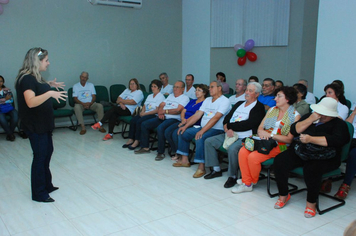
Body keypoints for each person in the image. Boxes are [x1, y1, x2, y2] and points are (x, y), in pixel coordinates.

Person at [273, 97, 349, 218]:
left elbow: (336, 140)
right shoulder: (310, 117)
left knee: (312, 169)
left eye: (325, 114)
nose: (322, 116)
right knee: (280, 161)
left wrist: (311, 139)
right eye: (320, 113)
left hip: (326, 156)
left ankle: (311, 203)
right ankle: (283, 194)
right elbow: (294, 130)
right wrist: (311, 119)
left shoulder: (340, 125)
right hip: (303, 151)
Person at [15, 47, 67, 202]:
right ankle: (39, 193)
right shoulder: (27, 79)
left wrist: (49, 84)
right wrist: (50, 93)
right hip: (35, 126)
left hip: (43, 124)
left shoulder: (35, 77)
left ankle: (46, 184)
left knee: (47, 152)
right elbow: (30, 102)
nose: (49, 63)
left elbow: (36, 90)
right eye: (46, 60)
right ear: (37, 61)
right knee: (40, 156)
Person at [233, 86, 300, 194]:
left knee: (253, 157)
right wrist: (262, 133)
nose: (275, 99)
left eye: (279, 96)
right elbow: (260, 128)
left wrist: (270, 135)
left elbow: (289, 139)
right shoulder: (272, 110)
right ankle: (247, 181)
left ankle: (249, 182)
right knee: (243, 151)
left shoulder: (295, 116)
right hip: (263, 141)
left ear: (287, 99)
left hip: (280, 145)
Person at [204, 82, 265, 188]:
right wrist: (226, 127)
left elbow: (249, 124)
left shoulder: (258, 107)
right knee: (209, 141)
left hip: (245, 137)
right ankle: (216, 169)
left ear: (257, 94)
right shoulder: (239, 103)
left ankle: (232, 176)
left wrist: (231, 126)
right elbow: (227, 118)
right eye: (247, 90)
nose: (247, 93)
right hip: (230, 133)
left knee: (233, 149)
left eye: (250, 91)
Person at [173, 81, 231, 178]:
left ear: (219, 88)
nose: (210, 89)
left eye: (212, 87)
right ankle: (184, 160)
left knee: (200, 137)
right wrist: (185, 126)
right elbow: (197, 114)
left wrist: (202, 131)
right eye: (209, 87)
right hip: (204, 127)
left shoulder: (225, 101)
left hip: (217, 130)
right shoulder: (208, 100)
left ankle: (201, 167)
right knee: (184, 133)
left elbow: (216, 118)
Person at [135, 81, 189, 161]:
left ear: (183, 89)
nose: (175, 89)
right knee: (144, 124)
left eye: (177, 87)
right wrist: (160, 112)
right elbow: (161, 105)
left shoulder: (185, 98)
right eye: (174, 87)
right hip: (163, 116)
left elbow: (178, 110)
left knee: (160, 128)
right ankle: (145, 147)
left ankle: (161, 152)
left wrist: (164, 111)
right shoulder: (170, 96)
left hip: (174, 119)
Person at [165, 84, 209, 159]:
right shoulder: (192, 101)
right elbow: (183, 111)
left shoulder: (204, 103)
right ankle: (177, 151)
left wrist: (185, 122)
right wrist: (182, 119)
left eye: (199, 90)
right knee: (168, 132)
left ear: (204, 93)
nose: (196, 92)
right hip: (183, 121)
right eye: (196, 90)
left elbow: (196, 115)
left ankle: (180, 154)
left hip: (193, 123)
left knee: (176, 133)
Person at [122, 79, 165, 150]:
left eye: (155, 87)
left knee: (139, 121)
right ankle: (131, 139)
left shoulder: (161, 97)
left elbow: (157, 110)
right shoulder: (150, 96)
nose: (153, 88)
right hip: (145, 113)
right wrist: (142, 112)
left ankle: (137, 140)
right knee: (133, 120)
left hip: (153, 114)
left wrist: (145, 113)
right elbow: (145, 105)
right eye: (152, 86)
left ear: (159, 88)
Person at [333, 103, 356, 200]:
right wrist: (354, 113)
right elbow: (346, 126)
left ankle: (346, 184)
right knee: (334, 146)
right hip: (350, 140)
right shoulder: (354, 114)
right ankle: (328, 177)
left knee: (353, 154)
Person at [0, 75, 18, 141]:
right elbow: (7, 100)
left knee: (15, 116)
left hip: (9, 108)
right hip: (0, 110)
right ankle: (11, 134)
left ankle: (9, 134)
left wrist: (3, 100)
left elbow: (10, 100)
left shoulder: (7, 90)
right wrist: (5, 99)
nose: (0, 82)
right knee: (2, 119)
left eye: (1, 81)